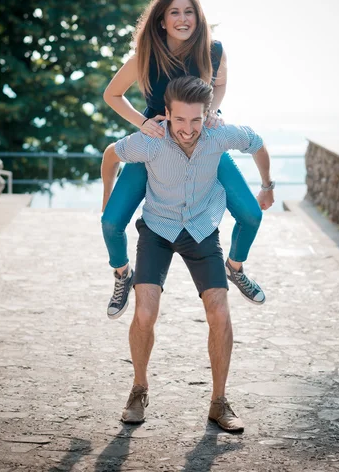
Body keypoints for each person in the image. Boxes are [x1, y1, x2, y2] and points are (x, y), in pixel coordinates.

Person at [101, 76, 274, 431]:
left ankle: (219, 402)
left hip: (201, 231)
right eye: (179, 119)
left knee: (220, 314)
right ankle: (138, 389)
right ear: (166, 114)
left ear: (207, 115)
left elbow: (257, 143)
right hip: (158, 231)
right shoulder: (150, 143)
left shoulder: (220, 137)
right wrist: (107, 197)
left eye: (196, 120)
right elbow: (110, 155)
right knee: (145, 312)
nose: (187, 128)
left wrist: (267, 184)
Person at [102, 0, 274, 319]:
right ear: (162, 20)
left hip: (201, 141)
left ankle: (235, 267)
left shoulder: (213, 50)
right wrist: (142, 123)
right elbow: (112, 95)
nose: (183, 19)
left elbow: (219, 84)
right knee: (110, 223)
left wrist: (214, 111)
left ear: (198, 17)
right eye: (175, 12)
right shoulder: (146, 55)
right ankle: (123, 274)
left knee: (251, 215)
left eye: (189, 12)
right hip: (156, 145)